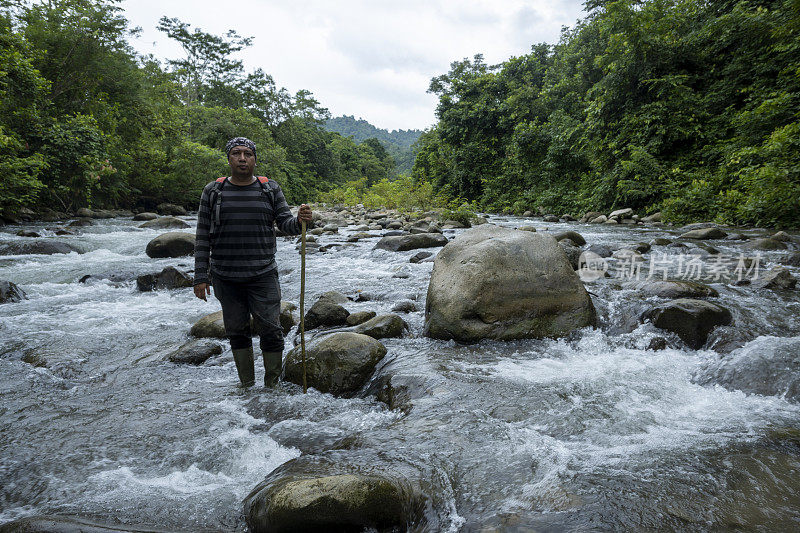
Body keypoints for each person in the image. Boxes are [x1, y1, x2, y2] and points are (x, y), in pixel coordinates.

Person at [193, 137, 312, 387]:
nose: (242, 158)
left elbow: (286, 224)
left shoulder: (269, 189)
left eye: (248, 154)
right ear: (229, 159)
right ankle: (246, 385)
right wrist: (200, 277)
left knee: (270, 329)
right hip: (225, 276)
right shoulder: (213, 191)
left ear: (255, 159)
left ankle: (272, 386)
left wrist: (301, 220)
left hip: (263, 273)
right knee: (236, 332)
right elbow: (202, 234)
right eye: (236, 153)